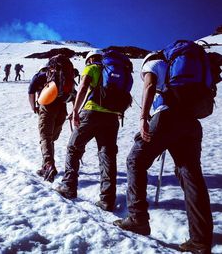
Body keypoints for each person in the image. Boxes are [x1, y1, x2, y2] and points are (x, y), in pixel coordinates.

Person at [113, 52, 213, 253]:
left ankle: (137, 218)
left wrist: (143, 118)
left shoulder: (154, 63)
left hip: (167, 116)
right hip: (192, 123)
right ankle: (201, 239)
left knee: (135, 160)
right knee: (190, 174)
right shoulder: (191, 70)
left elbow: (149, 84)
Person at [55, 49, 120, 212]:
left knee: (73, 148)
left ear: (90, 59)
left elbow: (83, 86)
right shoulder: (113, 71)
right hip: (112, 118)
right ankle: (107, 199)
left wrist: (75, 110)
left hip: (91, 113)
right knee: (107, 156)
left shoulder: (92, 67)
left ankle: (68, 186)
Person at [28, 58, 71, 183]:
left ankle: (48, 165)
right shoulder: (63, 77)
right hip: (62, 109)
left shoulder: (38, 77)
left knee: (45, 137)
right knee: (51, 138)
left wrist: (34, 107)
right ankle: (44, 166)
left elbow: (31, 94)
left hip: (47, 107)